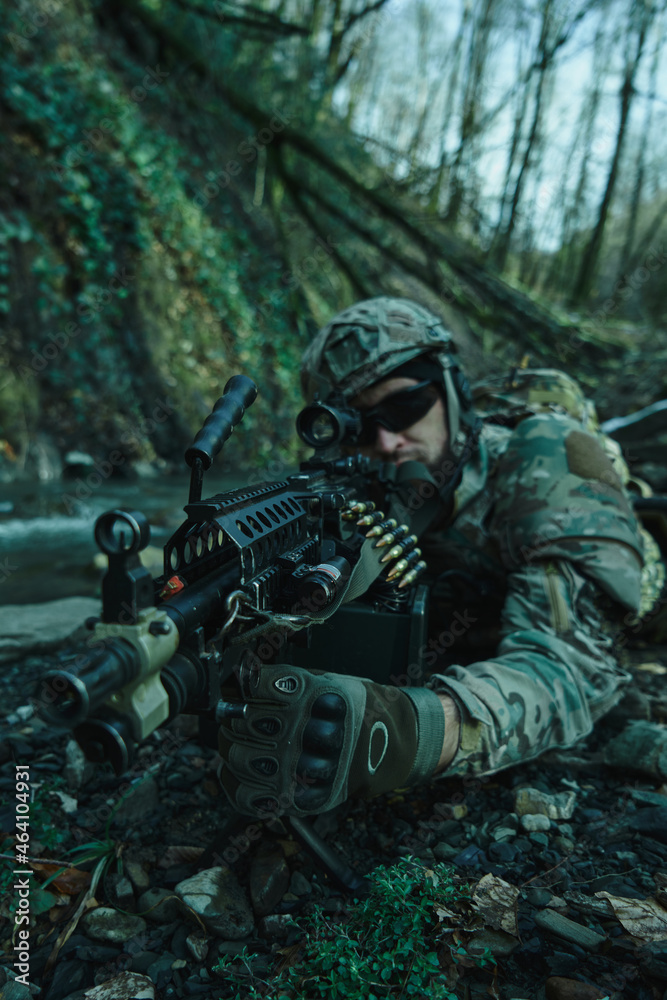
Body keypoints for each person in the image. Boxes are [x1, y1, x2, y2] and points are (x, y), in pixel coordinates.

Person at [218, 296, 663, 818]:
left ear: (451, 389)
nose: (387, 441)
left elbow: (570, 668)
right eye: (359, 426)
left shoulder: (545, 460)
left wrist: (416, 732)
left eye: (406, 407)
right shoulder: (355, 483)